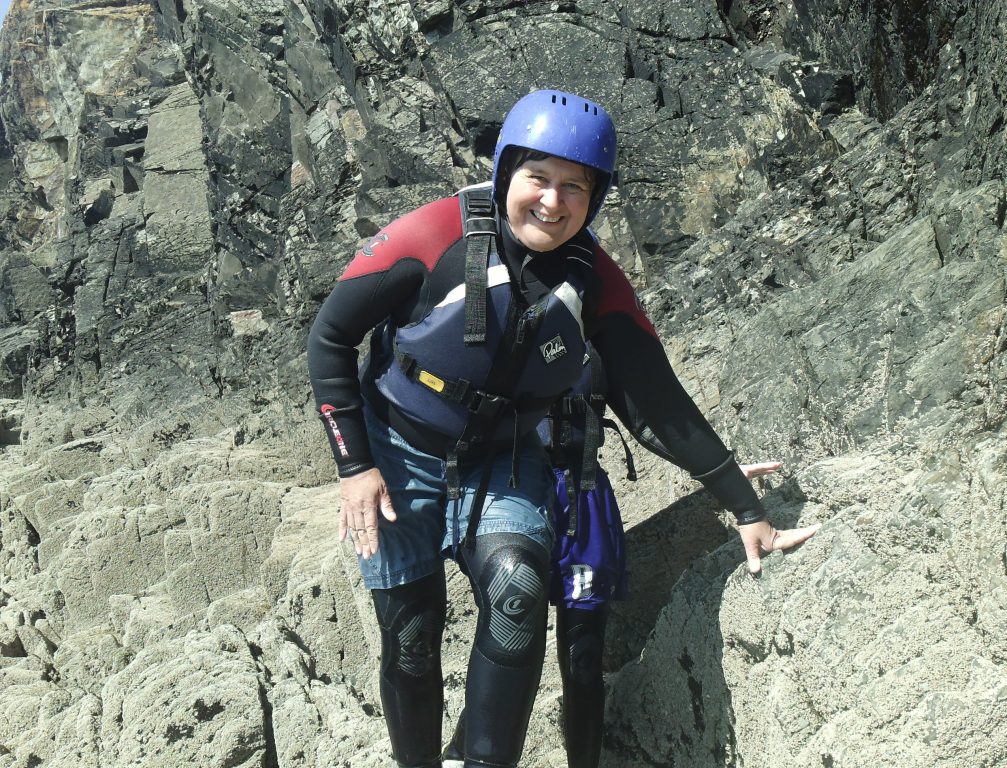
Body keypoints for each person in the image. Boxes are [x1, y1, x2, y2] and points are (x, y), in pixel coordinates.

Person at [306, 88, 820, 768]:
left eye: (575, 188)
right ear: (506, 174)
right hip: (398, 450)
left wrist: (744, 506)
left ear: (596, 198)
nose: (552, 202)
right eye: (538, 179)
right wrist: (355, 466)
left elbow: (654, 403)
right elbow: (330, 337)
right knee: (411, 634)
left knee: (517, 589)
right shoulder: (432, 237)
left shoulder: (594, 280)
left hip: (505, 455)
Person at [440, 348, 787, 768]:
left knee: (583, 660)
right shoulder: (496, 328)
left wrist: (720, 472)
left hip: (582, 500)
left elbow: (648, 423)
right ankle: (460, 751)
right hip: (508, 500)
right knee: (511, 642)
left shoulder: (599, 343)